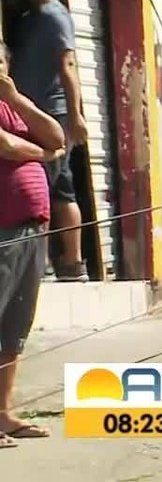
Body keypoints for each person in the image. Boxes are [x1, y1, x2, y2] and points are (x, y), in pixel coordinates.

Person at [8, 0, 88, 282]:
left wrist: (76, 115)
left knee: (50, 188)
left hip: (50, 116)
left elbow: (67, 66)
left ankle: (63, 263)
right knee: (55, 186)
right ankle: (65, 262)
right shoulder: (32, 18)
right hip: (31, 114)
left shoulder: (56, 18)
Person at [0, 39, 64, 446]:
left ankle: (3, 413)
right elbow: (5, 145)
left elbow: (58, 133)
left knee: (13, 327)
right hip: (2, 232)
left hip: (29, 228)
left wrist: (15, 97)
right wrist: (45, 154)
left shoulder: (9, 103)